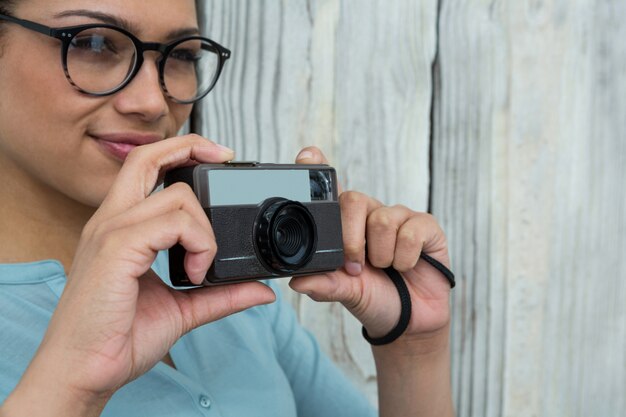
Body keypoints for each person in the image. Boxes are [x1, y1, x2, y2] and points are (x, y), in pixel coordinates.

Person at [0, 1, 455, 416]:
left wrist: (414, 347)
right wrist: (71, 381)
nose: (152, 103)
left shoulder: (222, 267)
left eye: (181, 56)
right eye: (93, 43)